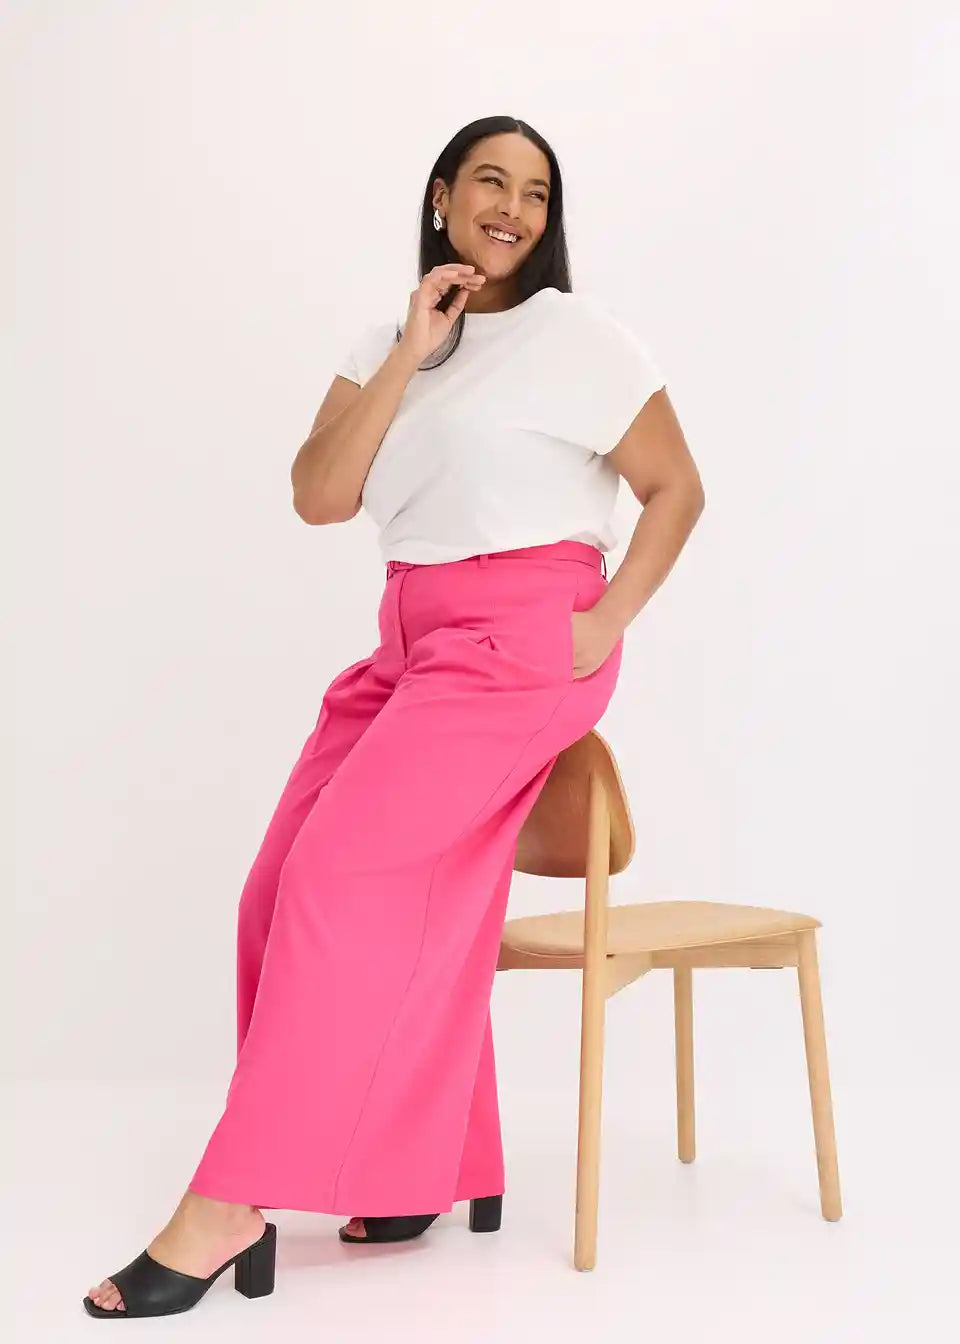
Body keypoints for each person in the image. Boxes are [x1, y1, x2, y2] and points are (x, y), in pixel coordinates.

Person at [83, 115, 705, 1319]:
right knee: (276, 889)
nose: (511, 208)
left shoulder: (578, 337)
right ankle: (420, 1169)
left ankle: (230, 1201)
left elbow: (677, 486)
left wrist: (606, 620)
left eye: (534, 191)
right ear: (441, 197)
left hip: (525, 637)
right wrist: (414, 352)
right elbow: (321, 496)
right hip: (410, 641)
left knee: (336, 879)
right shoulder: (388, 345)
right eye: (489, 182)